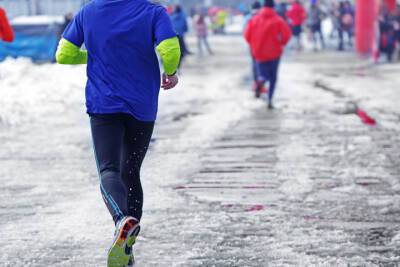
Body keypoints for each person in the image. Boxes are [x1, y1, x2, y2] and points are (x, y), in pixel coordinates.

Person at [55, 0, 180, 266]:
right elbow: (170, 49)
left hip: (104, 105)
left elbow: (64, 54)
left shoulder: (88, 12)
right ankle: (127, 247)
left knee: (109, 170)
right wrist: (170, 72)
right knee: (131, 169)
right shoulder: (153, 11)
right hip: (142, 105)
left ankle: (121, 220)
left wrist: (94, 54)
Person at [245, 0, 292, 109]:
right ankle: (270, 100)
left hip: (258, 53)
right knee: (273, 78)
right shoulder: (278, 20)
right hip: (274, 53)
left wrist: (255, 45)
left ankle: (260, 82)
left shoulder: (254, 19)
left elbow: (247, 36)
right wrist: (281, 43)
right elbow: (287, 34)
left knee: (263, 74)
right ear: (273, 7)